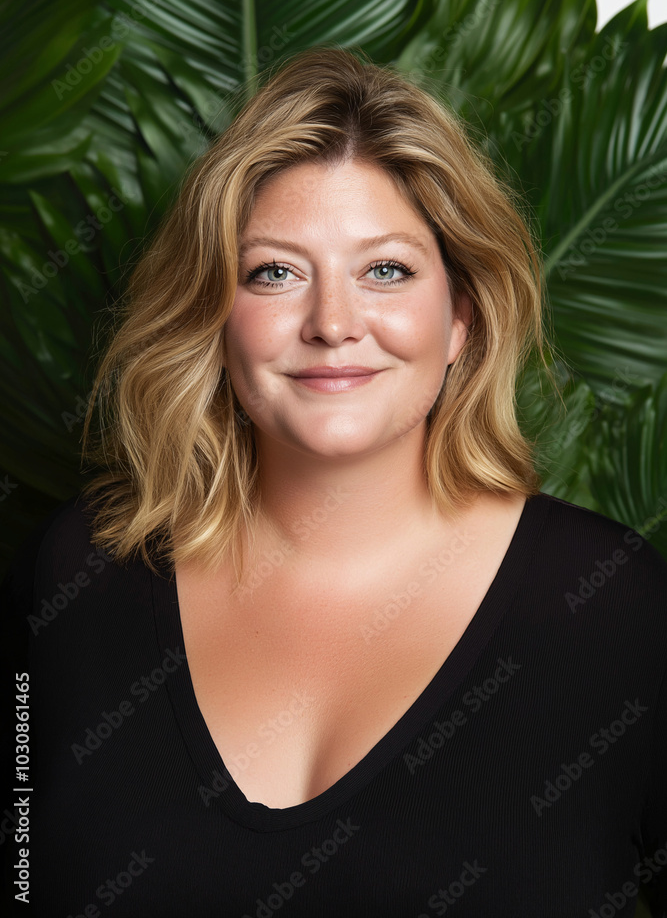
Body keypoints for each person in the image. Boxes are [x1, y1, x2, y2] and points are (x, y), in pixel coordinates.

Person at [1, 45, 666, 917]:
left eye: (384, 270)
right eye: (274, 272)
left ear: (460, 314)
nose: (332, 323)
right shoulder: (81, 573)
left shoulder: (608, 606)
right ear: (213, 312)